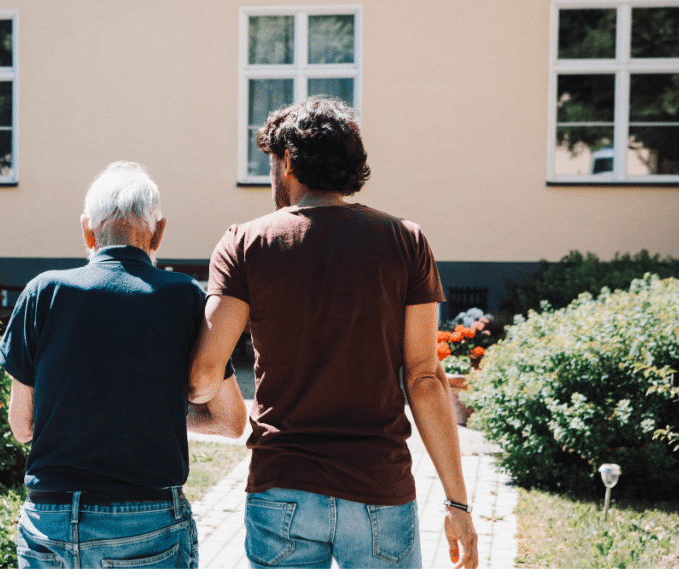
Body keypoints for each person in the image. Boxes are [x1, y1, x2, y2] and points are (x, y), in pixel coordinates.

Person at [188, 97, 479, 569]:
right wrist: (458, 504)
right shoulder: (405, 240)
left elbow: (205, 372)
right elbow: (425, 379)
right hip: (379, 491)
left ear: (286, 163)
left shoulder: (243, 243)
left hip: (281, 487)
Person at [0, 161, 246, 569]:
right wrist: (152, 415)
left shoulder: (43, 291)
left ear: (87, 231)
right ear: (159, 232)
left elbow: (23, 427)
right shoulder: (182, 297)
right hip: (144, 525)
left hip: (50, 524)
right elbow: (232, 421)